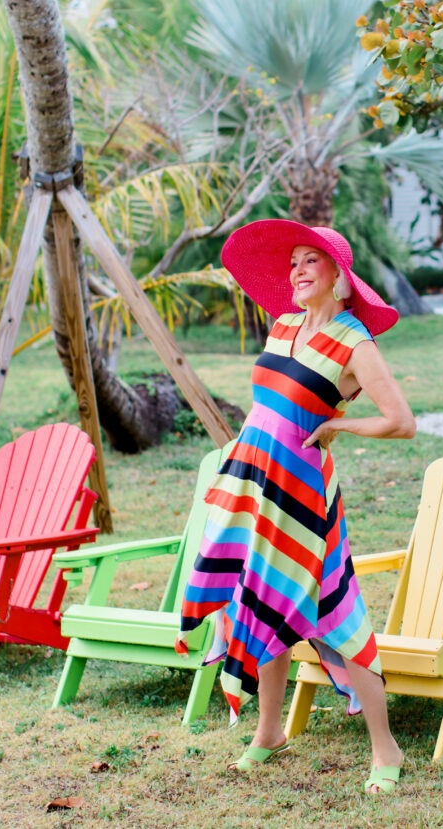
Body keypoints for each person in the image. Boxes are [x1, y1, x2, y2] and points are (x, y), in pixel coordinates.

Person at [176, 219, 415, 794]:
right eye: (294, 263)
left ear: (340, 275)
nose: (299, 270)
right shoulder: (282, 325)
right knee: (258, 598)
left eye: (312, 260)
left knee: (339, 612)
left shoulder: (355, 342)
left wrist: (339, 424)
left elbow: (401, 422)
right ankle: (268, 733)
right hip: (254, 481)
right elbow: (271, 403)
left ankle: (387, 749)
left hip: (304, 494)